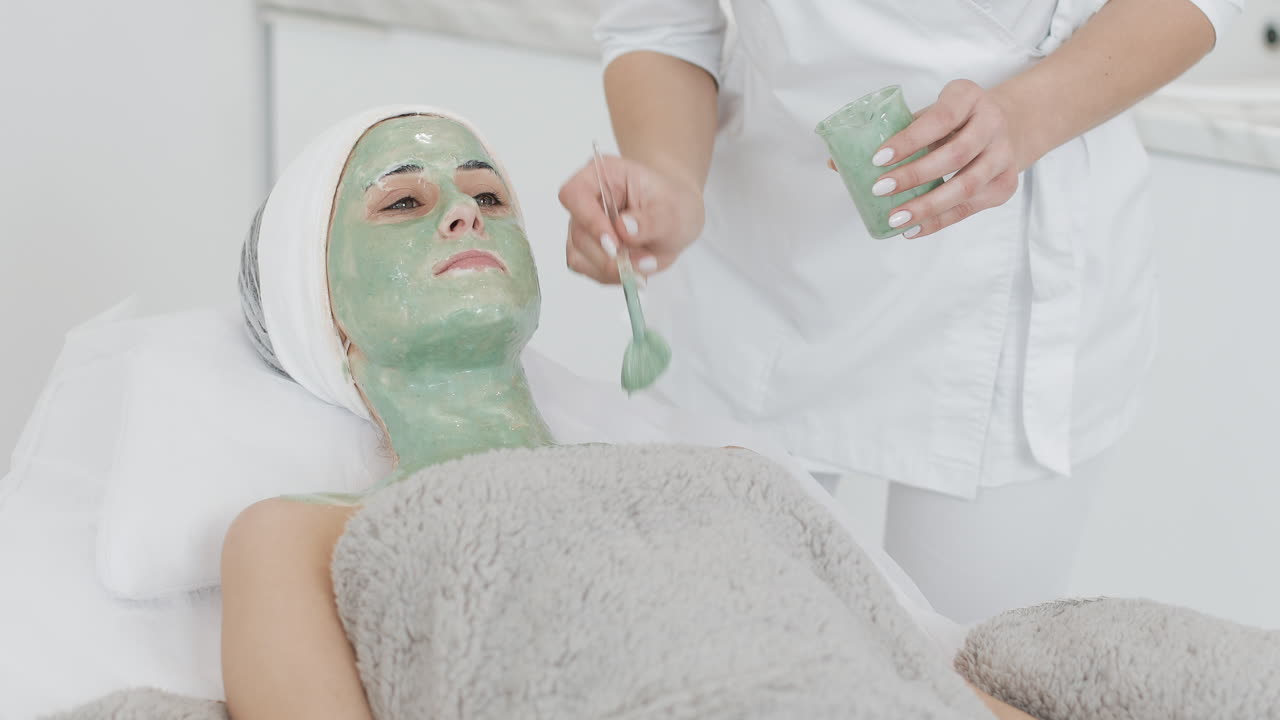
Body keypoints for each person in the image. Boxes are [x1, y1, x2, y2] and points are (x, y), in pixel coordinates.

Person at [222, 106, 1042, 720]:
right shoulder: (296, 535)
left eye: (489, 195)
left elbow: (913, 675)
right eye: (402, 203)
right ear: (319, 304)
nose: (467, 212)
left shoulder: (720, 476)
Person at [558, 0, 1240, 622]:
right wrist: (672, 177)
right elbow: (661, 21)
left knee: (963, 680)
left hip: (1015, 293)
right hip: (763, 261)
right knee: (712, 639)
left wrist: (1026, 118)